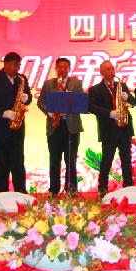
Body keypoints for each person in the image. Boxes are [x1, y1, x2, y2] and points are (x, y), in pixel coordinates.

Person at [0, 52, 32, 194]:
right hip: (0, 128)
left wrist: (27, 97)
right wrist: (3, 112)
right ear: (7, 64)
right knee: (2, 165)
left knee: (18, 162)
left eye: (18, 65)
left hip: (17, 128)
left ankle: (21, 193)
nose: (18, 69)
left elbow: (29, 97)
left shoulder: (22, 79)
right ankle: (1, 195)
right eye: (16, 65)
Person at [88, 61, 135, 197]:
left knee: (126, 158)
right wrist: (109, 113)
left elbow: (133, 102)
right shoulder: (95, 89)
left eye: (112, 69)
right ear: (102, 72)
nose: (111, 71)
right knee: (107, 159)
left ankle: (128, 186)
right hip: (108, 129)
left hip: (124, 128)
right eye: (108, 69)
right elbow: (91, 107)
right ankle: (103, 188)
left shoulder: (122, 85)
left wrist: (128, 97)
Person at [38, 58, 84, 196]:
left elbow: (81, 100)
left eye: (65, 67)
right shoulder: (48, 84)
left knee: (71, 159)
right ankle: (53, 190)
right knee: (54, 159)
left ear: (69, 68)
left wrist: (68, 96)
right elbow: (41, 102)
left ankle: (71, 189)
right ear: (56, 69)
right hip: (54, 125)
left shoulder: (76, 83)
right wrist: (49, 112)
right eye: (60, 67)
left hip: (71, 126)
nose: (62, 70)